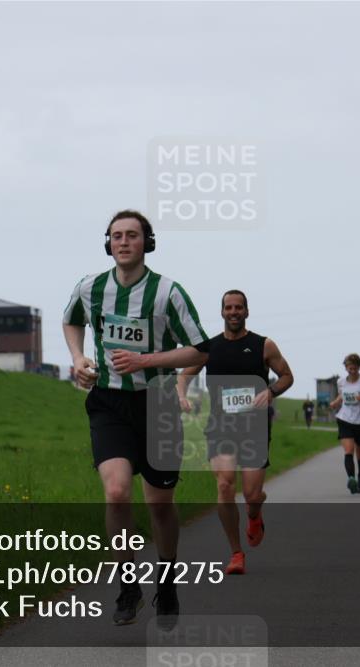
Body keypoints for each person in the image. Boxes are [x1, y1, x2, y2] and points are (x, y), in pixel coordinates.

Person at [63, 210, 207, 628]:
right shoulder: (91, 288)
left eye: (132, 235)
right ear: (108, 243)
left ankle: (167, 579)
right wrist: (77, 359)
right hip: (109, 403)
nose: (124, 242)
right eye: (116, 236)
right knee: (116, 492)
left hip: (159, 404)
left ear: (148, 242)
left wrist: (148, 359)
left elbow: (201, 349)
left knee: (159, 504)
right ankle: (128, 584)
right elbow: (71, 320)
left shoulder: (168, 293)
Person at [114, 290, 294, 575]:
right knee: (224, 486)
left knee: (252, 493)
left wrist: (270, 392)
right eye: (228, 307)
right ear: (222, 312)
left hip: (254, 428)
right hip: (220, 426)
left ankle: (255, 514)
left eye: (239, 308)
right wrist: (182, 395)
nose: (233, 312)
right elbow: (185, 375)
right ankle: (236, 553)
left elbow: (287, 376)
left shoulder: (264, 345)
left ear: (246, 312)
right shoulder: (209, 347)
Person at [329, 353, 360, 494]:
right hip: (345, 419)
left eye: (355, 369)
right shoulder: (341, 382)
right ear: (345, 367)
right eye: (349, 368)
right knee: (348, 451)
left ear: (359, 367)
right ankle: (351, 479)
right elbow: (342, 395)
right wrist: (335, 402)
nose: (352, 371)